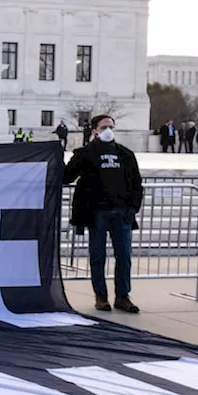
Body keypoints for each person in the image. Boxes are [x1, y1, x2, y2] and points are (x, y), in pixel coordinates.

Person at [64, 114, 143, 314]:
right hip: (96, 213)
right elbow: (67, 177)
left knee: (124, 256)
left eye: (111, 126)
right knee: (97, 257)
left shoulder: (125, 154)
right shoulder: (86, 154)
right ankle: (101, 296)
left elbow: (136, 184)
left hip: (121, 213)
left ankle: (123, 296)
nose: (108, 130)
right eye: (104, 126)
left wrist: (132, 208)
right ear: (95, 131)